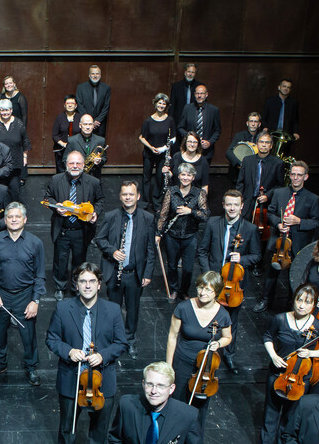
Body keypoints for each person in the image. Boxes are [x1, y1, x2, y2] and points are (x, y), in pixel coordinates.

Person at [46, 262, 128, 444]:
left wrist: (104, 355)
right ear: (76, 284)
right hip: (72, 377)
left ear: (99, 284)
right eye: (83, 281)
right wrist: (68, 350)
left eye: (92, 281)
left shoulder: (112, 309)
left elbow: (121, 342)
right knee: (68, 424)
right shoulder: (63, 309)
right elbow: (52, 339)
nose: (87, 285)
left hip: (103, 380)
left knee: (100, 424)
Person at [259, 285, 319, 444]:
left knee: (291, 414)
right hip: (279, 373)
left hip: (300, 378)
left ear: (313, 305)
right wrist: (274, 355)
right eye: (299, 300)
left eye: (307, 302)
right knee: (271, 412)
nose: (301, 305)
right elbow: (268, 336)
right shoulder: (280, 319)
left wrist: (311, 353)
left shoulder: (318, 326)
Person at [195, 190, 259, 371]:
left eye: (235, 205)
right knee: (206, 317)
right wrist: (208, 277)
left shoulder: (250, 229)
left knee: (231, 322)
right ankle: (203, 352)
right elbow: (202, 251)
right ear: (223, 205)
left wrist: (243, 260)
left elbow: (256, 255)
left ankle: (229, 355)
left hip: (234, 286)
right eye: (229, 204)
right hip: (213, 282)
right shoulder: (212, 223)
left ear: (241, 207)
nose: (232, 208)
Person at [0, 202, 45, 386]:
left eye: (18, 216)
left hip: (25, 295)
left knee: (28, 334)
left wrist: (35, 300)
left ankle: (31, 367)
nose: (14, 219)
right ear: (5, 220)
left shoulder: (36, 243)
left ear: (25, 219)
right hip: (1, 293)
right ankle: (0, 364)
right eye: (10, 217)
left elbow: (40, 275)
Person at [164, 271, 232, 431]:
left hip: (206, 368)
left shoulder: (222, 314)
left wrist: (219, 343)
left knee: (199, 409)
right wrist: (169, 366)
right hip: (182, 363)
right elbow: (172, 337)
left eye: (208, 289)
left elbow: (227, 337)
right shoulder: (183, 308)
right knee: (177, 404)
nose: (203, 293)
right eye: (201, 287)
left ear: (217, 291)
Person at [95, 180, 155, 350]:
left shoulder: (148, 218)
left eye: (131, 194)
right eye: (125, 194)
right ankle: (113, 339)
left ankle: (129, 341)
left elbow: (151, 248)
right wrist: (112, 251)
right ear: (120, 197)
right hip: (114, 271)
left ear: (138, 196)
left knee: (133, 310)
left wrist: (148, 273)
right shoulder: (111, 216)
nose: (128, 197)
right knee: (113, 309)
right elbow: (100, 239)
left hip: (135, 273)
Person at [255, 160, 319, 313]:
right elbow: (270, 212)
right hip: (277, 241)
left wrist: (299, 221)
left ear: (306, 177)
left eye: (299, 175)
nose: (296, 178)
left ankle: (292, 305)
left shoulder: (313, 199)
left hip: (297, 243)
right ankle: (266, 301)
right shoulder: (279, 193)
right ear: (289, 175)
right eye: (293, 174)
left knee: (296, 276)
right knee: (271, 273)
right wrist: (278, 223)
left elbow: (316, 222)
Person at [45, 150, 104, 301]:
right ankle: (60, 286)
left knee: (79, 261)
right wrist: (55, 206)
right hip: (62, 229)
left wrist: (95, 212)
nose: (75, 166)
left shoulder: (93, 182)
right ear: (66, 164)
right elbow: (47, 198)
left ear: (84, 165)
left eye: (78, 163)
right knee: (60, 260)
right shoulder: (56, 179)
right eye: (72, 163)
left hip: (81, 230)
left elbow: (100, 201)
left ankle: (76, 287)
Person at [157, 163, 209, 301]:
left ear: (193, 177)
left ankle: (184, 290)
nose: (185, 177)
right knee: (172, 265)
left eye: (189, 175)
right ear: (179, 176)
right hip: (172, 235)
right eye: (183, 174)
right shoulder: (171, 191)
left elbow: (205, 215)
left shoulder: (199, 193)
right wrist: (158, 233)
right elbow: (164, 214)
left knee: (188, 268)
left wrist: (190, 211)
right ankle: (174, 289)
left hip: (190, 235)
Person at [236, 129, 285, 245]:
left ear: (271, 145)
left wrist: (268, 196)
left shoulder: (278, 163)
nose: (264, 145)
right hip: (247, 203)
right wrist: (239, 202)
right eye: (261, 142)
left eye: (267, 142)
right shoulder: (247, 160)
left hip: (265, 206)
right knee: (243, 234)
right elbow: (240, 183)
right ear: (257, 144)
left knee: (261, 237)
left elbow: (280, 186)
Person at [139, 93, 176, 213]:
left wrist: (163, 148)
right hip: (149, 154)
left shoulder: (170, 120)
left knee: (160, 178)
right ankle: (145, 203)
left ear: (166, 106)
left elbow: (173, 138)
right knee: (146, 178)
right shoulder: (148, 121)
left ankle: (157, 203)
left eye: (164, 103)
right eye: (159, 103)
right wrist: (151, 147)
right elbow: (141, 137)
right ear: (155, 104)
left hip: (162, 154)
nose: (161, 105)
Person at [0, 100, 30, 200]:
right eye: (2, 110)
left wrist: (25, 156)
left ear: (11, 110)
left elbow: (25, 141)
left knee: (14, 191)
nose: (4, 113)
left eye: (7, 110)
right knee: (0, 191)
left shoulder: (18, 123)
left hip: (15, 163)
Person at [178, 84, 221, 163]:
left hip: (206, 152)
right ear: (194, 95)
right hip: (189, 150)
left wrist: (210, 142)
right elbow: (180, 127)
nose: (199, 96)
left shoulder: (214, 110)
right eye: (197, 93)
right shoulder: (187, 108)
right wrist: (189, 138)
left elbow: (217, 130)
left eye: (202, 93)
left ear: (206, 95)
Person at [225, 111, 264, 189]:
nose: (253, 124)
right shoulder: (239, 135)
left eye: (255, 122)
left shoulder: (262, 137)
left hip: (254, 175)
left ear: (259, 124)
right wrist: (240, 164)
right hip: (238, 174)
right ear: (247, 123)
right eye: (251, 121)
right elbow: (228, 152)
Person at [164, 131, 209, 198]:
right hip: (176, 196)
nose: (192, 144)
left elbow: (204, 185)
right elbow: (172, 176)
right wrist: (166, 172)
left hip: (195, 198)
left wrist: (201, 200)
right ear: (185, 143)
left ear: (198, 144)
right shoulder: (176, 156)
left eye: (195, 142)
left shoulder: (203, 161)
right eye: (189, 141)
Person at [65, 114, 106, 178]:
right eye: (85, 124)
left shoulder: (100, 140)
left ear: (93, 126)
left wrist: (100, 161)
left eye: (90, 124)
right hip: (76, 176)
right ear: (80, 125)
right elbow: (65, 159)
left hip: (94, 176)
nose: (88, 127)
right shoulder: (72, 140)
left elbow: (104, 158)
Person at [75, 64, 111, 135]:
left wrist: (97, 120)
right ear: (89, 75)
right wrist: (89, 121)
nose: (95, 75)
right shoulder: (81, 87)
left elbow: (106, 107)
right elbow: (79, 105)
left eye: (97, 74)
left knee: (99, 145)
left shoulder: (106, 88)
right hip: (85, 124)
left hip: (99, 125)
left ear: (100, 75)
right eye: (93, 73)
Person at [262, 78, 299, 143]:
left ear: (290, 90)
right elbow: (263, 116)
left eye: (288, 87)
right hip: (270, 133)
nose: (286, 89)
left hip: (285, 135)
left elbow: (295, 120)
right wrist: (265, 127)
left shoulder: (293, 103)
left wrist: (295, 132)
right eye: (284, 86)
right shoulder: (270, 101)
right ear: (279, 87)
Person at [51, 95, 81, 172]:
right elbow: (54, 135)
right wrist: (63, 144)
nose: (70, 105)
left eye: (72, 103)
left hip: (77, 149)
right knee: (61, 171)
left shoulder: (80, 117)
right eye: (68, 103)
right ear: (64, 105)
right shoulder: (59, 117)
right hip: (61, 149)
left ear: (76, 105)